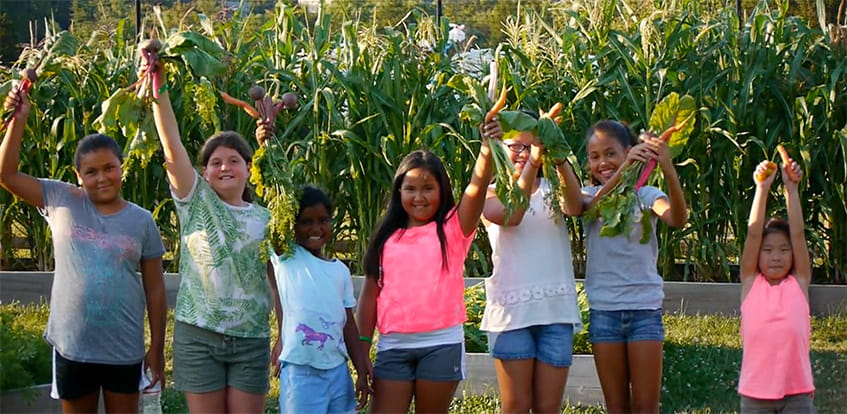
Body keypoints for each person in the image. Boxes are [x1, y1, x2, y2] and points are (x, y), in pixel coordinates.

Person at [0, 89, 166, 413]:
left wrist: (157, 347)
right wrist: (18, 121)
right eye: (91, 172)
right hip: (72, 346)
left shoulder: (141, 220)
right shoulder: (61, 199)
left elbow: (156, 288)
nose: (102, 177)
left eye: (109, 168)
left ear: (122, 167)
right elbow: (6, 174)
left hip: (124, 349)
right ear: (79, 176)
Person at [149, 66, 281, 413]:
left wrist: (283, 332)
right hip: (199, 336)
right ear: (204, 172)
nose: (225, 167)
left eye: (234, 161)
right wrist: (157, 86)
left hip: (251, 339)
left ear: (249, 168)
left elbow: (276, 280)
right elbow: (171, 143)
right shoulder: (195, 203)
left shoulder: (265, 218)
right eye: (216, 162)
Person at [356, 119, 502, 413]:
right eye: (410, 188)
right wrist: (361, 352)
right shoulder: (386, 238)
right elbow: (369, 296)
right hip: (393, 347)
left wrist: (487, 150)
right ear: (399, 191)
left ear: (442, 190)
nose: (419, 197)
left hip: (441, 345)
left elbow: (476, 187)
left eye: (428, 188)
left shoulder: (452, 229)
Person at [580, 120, 687, 414]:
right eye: (595, 156)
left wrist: (667, 167)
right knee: (616, 406)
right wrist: (626, 168)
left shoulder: (646, 195)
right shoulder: (587, 194)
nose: (603, 162)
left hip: (643, 310)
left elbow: (677, 218)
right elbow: (588, 209)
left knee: (645, 406)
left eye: (611, 153)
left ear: (629, 151)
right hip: (604, 312)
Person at [480, 120, 584, 413]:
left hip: (556, 312)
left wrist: (559, 155)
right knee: (516, 406)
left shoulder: (553, 190)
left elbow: (575, 207)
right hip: (512, 316)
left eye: (530, 146)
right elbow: (512, 214)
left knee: (548, 407)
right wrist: (535, 159)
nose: (524, 153)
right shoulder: (488, 194)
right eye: (516, 147)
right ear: (500, 147)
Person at [272, 185, 373, 414]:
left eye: (323, 220)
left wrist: (360, 369)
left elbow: (348, 325)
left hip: (339, 371)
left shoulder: (340, 271)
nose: (315, 229)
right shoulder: (288, 258)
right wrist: (268, 154)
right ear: (293, 225)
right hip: (301, 372)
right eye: (306, 221)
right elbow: (275, 218)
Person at [737, 159, 815, 413]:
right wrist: (762, 189)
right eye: (768, 250)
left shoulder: (799, 282)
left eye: (783, 250)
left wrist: (791, 190)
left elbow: (798, 234)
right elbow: (753, 233)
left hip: (798, 393)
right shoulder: (751, 283)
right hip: (755, 394)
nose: (776, 256)